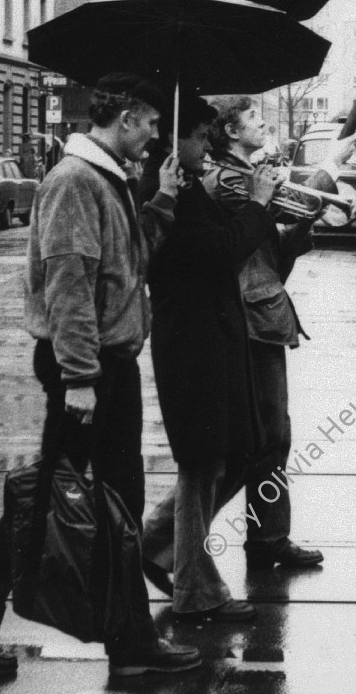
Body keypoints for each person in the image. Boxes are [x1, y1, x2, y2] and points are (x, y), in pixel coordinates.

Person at [0, 74, 197, 679]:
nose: (157, 135)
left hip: (104, 364)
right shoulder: (77, 180)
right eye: (152, 123)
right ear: (126, 118)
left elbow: (127, 266)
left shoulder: (108, 180)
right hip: (86, 367)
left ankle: (125, 639)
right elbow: (69, 284)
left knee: (105, 499)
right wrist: (79, 376)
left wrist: (159, 201)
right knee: (59, 501)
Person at [140, 96, 280, 621]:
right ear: (172, 140)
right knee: (203, 462)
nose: (207, 145)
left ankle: (155, 541)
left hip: (213, 334)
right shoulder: (163, 191)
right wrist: (259, 206)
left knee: (233, 453)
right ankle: (195, 589)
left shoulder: (188, 187)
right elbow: (219, 249)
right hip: (192, 339)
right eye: (198, 136)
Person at [203, 97, 351, 572]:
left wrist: (307, 219)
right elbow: (258, 221)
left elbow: (273, 252)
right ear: (228, 131)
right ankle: (166, 540)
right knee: (255, 441)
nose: (262, 121)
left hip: (261, 316)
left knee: (273, 438)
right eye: (251, 117)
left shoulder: (249, 176)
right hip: (247, 320)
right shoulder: (229, 180)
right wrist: (328, 166)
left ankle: (269, 539)